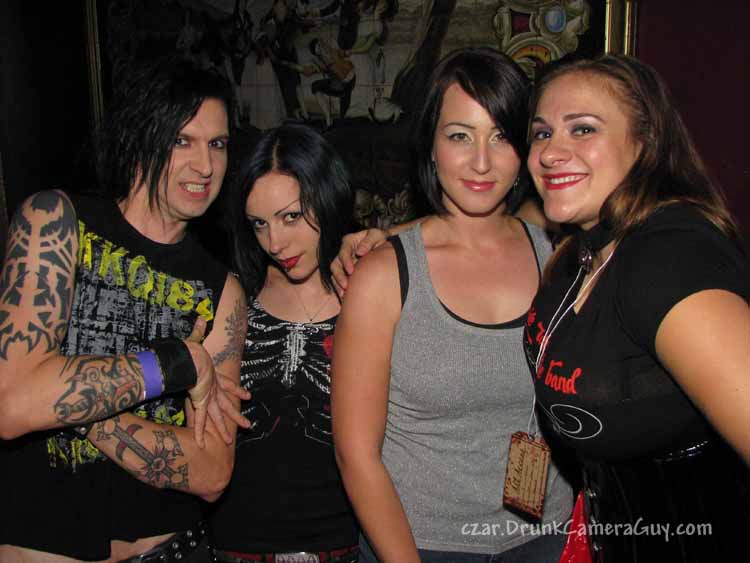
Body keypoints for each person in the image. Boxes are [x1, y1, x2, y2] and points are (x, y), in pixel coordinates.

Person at [0, 58, 249, 562]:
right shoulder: (56, 222)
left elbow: (211, 472)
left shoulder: (222, 290)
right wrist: (177, 364)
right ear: (140, 137)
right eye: (182, 140)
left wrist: (69, 400)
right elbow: (12, 404)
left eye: (218, 144)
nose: (205, 166)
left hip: (172, 551)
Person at [331, 47, 573, 563]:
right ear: (431, 146)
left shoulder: (557, 254)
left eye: (501, 136)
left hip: (546, 534)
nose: (481, 162)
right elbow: (356, 455)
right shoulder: (383, 275)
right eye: (460, 136)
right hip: (423, 543)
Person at [524, 54, 750, 561]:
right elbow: (489, 220)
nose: (551, 152)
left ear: (646, 144)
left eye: (583, 129)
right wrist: (391, 241)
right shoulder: (585, 244)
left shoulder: (667, 261)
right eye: (541, 133)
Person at [208, 124, 360, 563]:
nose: (275, 243)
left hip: (346, 545)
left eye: (290, 217)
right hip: (238, 546)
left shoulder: (371, 289)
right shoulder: (235, 296)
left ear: (327, 197)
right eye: (259, 223)